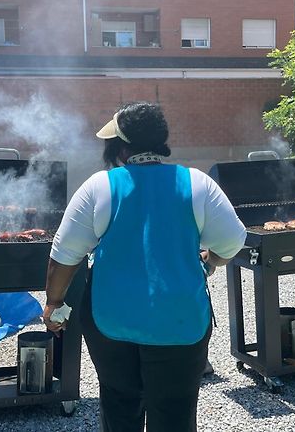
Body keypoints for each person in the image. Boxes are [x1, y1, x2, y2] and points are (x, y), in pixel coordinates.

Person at [43, 102, 246, 432]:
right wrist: (209, 263)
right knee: (175, 413)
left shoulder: (99, 186)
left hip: (111, 323)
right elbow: (232, 242)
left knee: (120, 405)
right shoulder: (197, 183)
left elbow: (64, 256)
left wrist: (54, 303)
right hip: (180, 323)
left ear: (120, 147)